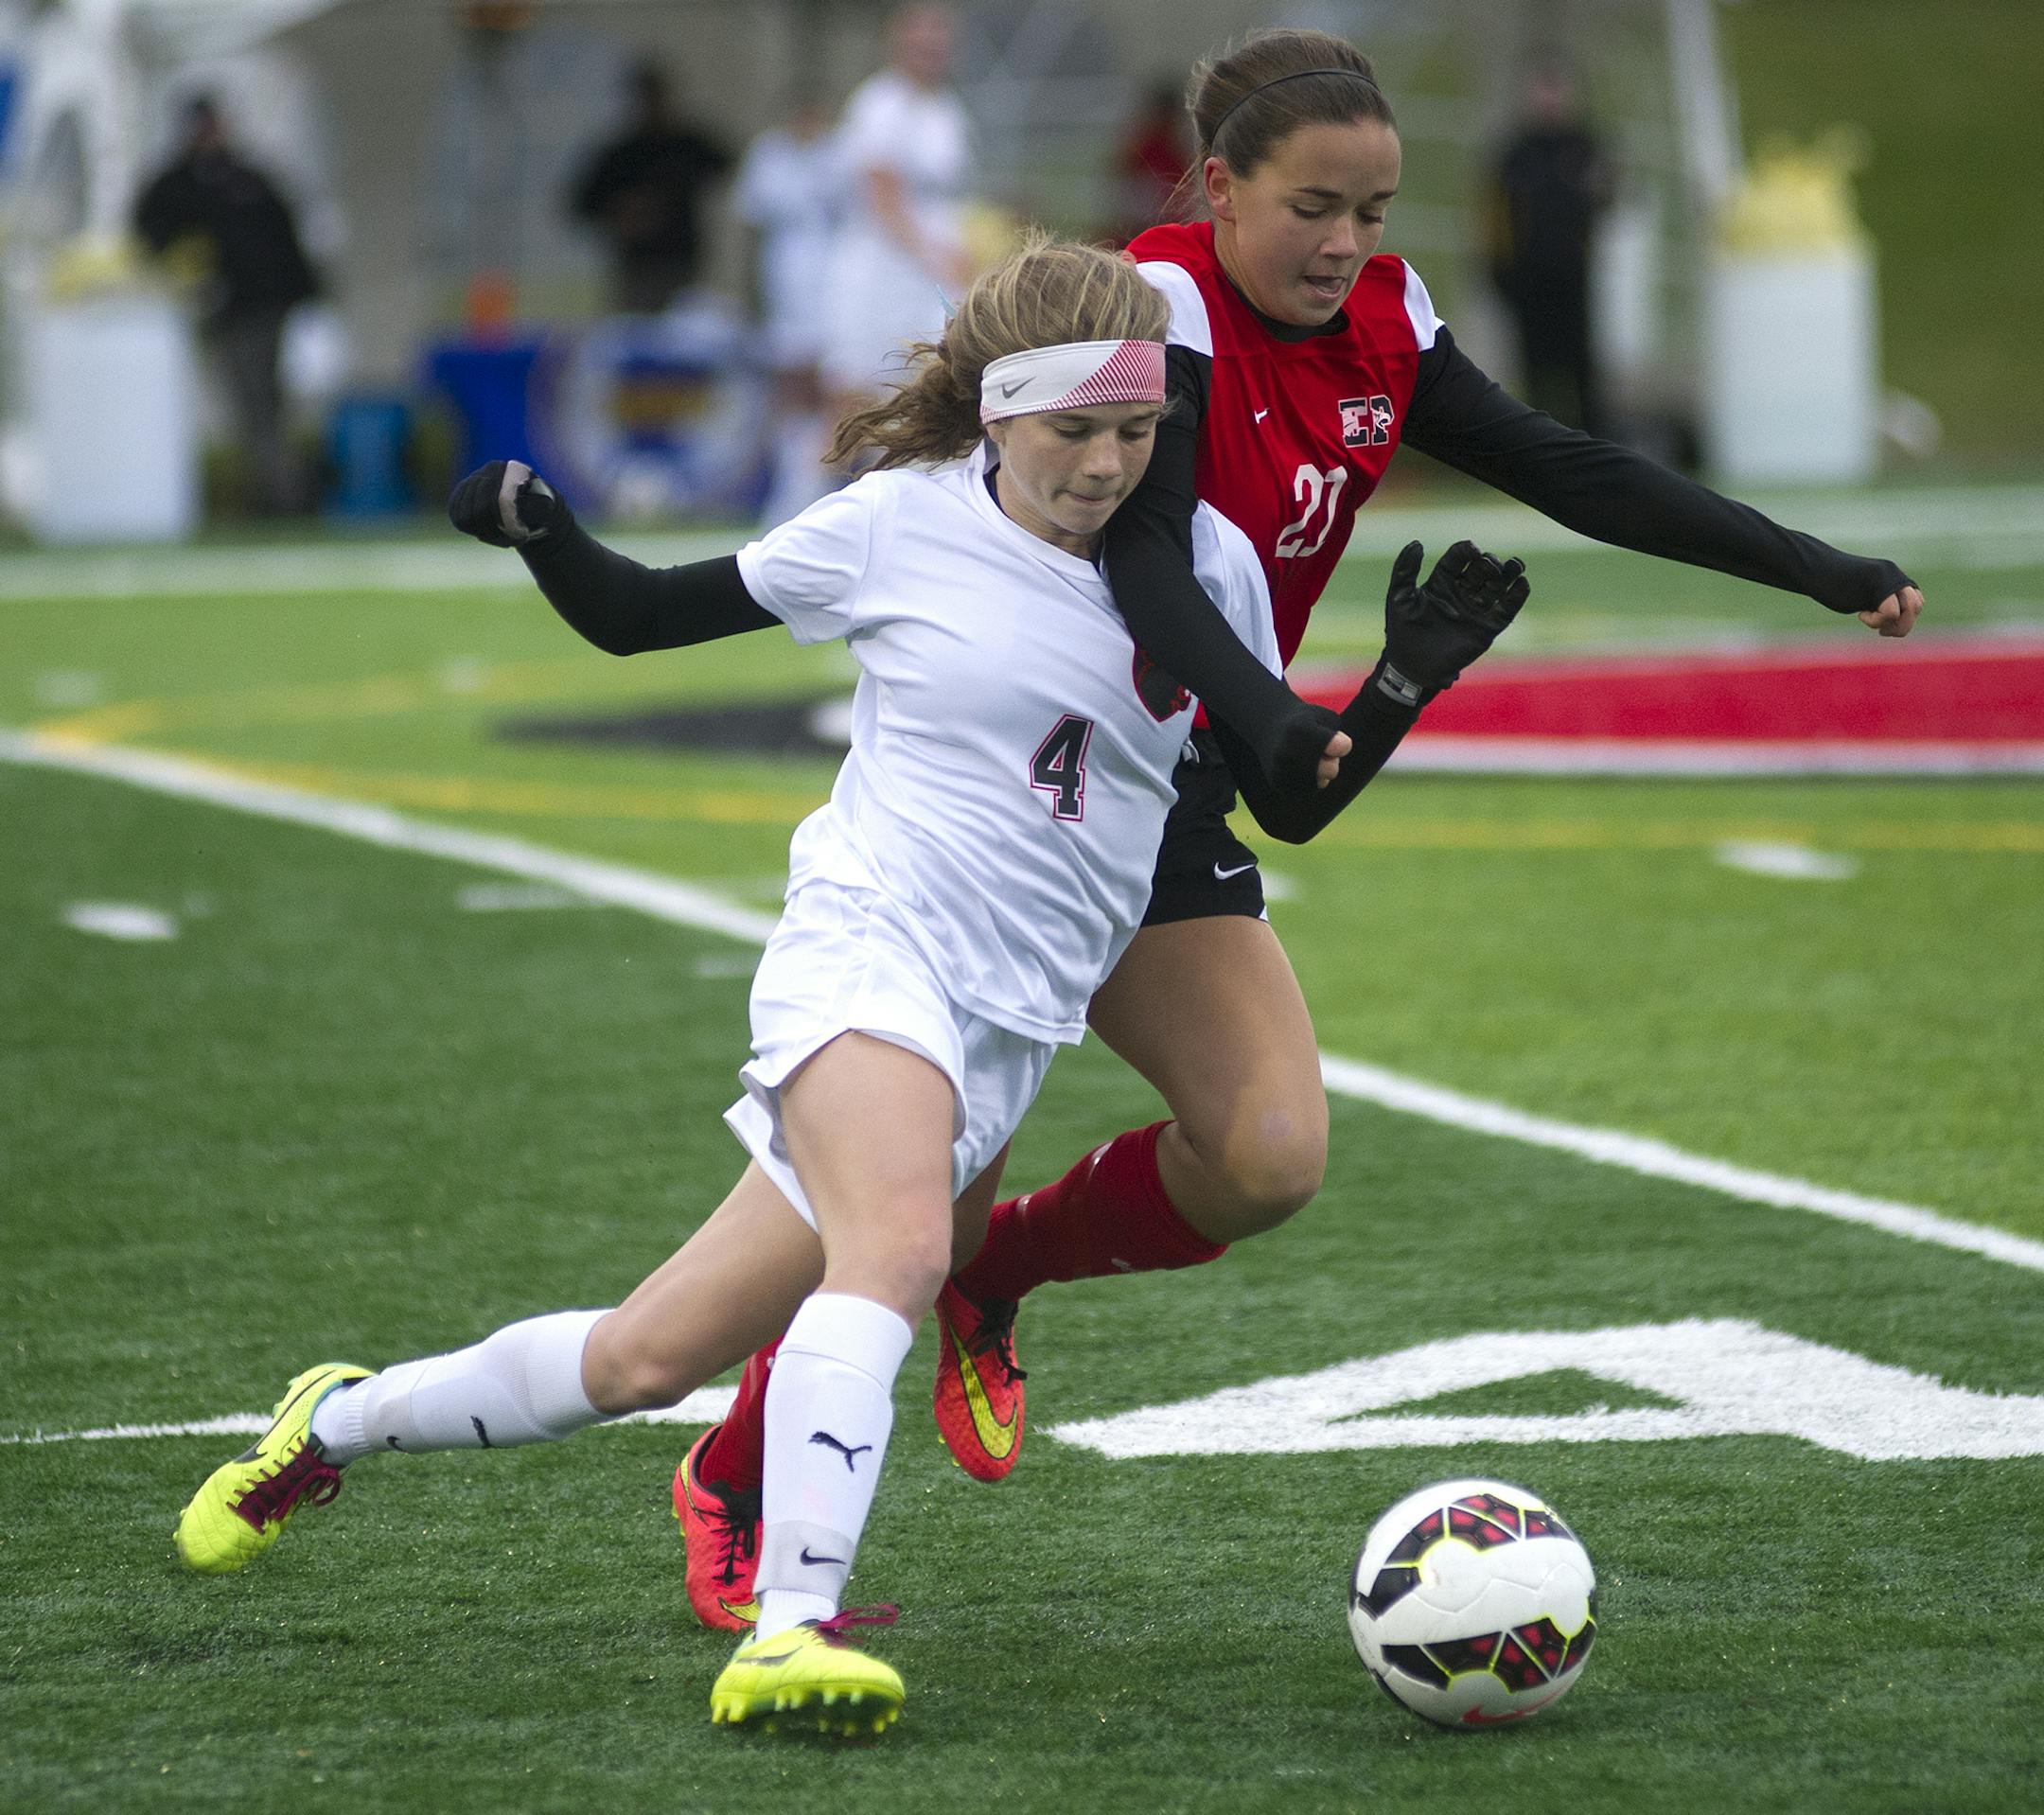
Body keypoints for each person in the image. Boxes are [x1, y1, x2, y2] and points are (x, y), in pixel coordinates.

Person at [663, 27, 1926, 1632]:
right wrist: (1277, 725)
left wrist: (1813, 563)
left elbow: (1572, 470)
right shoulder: (1162, 304)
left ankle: (1005, 1278)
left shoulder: (1390, 320)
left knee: (1267, 1152)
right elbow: (1143, 571)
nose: (1346, 244)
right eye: (1313, 206)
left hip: (1179, 780)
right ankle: (736, 1476)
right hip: (1032, 786)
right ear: (1220, 189)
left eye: (1377, 211)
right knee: (913, 1206)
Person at [170, 237, 1516, 1731]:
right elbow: (640, 612)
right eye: (1074, 429)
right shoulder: (895, 525)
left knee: (642, 1356)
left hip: (1011, 1021)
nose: (1106, 462)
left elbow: (1289, 803)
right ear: (997, 413)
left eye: (1135, 431)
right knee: (892, 1254)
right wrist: (539, 524)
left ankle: (334, 1419)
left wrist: (1404, 680)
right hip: (871, 949)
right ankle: (790, 1629)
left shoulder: (1204, 561)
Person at [132, 94, 321, 516]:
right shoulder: (181, 183)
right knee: (247, 401)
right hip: (224, 309)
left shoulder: (247, 178)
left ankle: (278, 494)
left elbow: (283, 240)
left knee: (264, 401)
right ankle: (272, 493)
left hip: (263, 306)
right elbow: (149, 230)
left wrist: (301, 293)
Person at [819, 4, 974, 432]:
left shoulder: (947, 109)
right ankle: (801, 495)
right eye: (920, 39)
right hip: (878, 272)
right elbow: (881, 196)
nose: (930, 49)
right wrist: (936, 255)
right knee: (853, 397)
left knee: (921, 392)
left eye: (938, 40)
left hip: (926, 278)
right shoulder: (880, 103)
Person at [1485, 57, 1616, 434]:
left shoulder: (1587, 147)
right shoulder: (1513, 155)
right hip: (1526, 281)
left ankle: (1595, 446)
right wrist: (1498, 274)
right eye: (1543, 90)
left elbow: (1610, 202)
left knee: (1584, 371)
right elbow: (1494, 219)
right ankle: (1540, 445)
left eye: (1557, 90)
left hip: (1576, 279)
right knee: (1535, 371)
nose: (1550, 100)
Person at [732, 94, 843, 527]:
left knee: (833, 386)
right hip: (786, 288)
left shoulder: (839, 156)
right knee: (792, 388)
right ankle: (791, 486)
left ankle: (819, 484)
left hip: (835, 291)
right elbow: (754, 220)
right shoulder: (770, 154)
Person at [570, 62, 733, 314]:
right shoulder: (622, 154)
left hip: (680, 256)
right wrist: (622, 214)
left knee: (682, 324)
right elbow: (582, 204)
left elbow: (728, 164)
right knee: (638, 326)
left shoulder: (684, 144)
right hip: (637, 263)